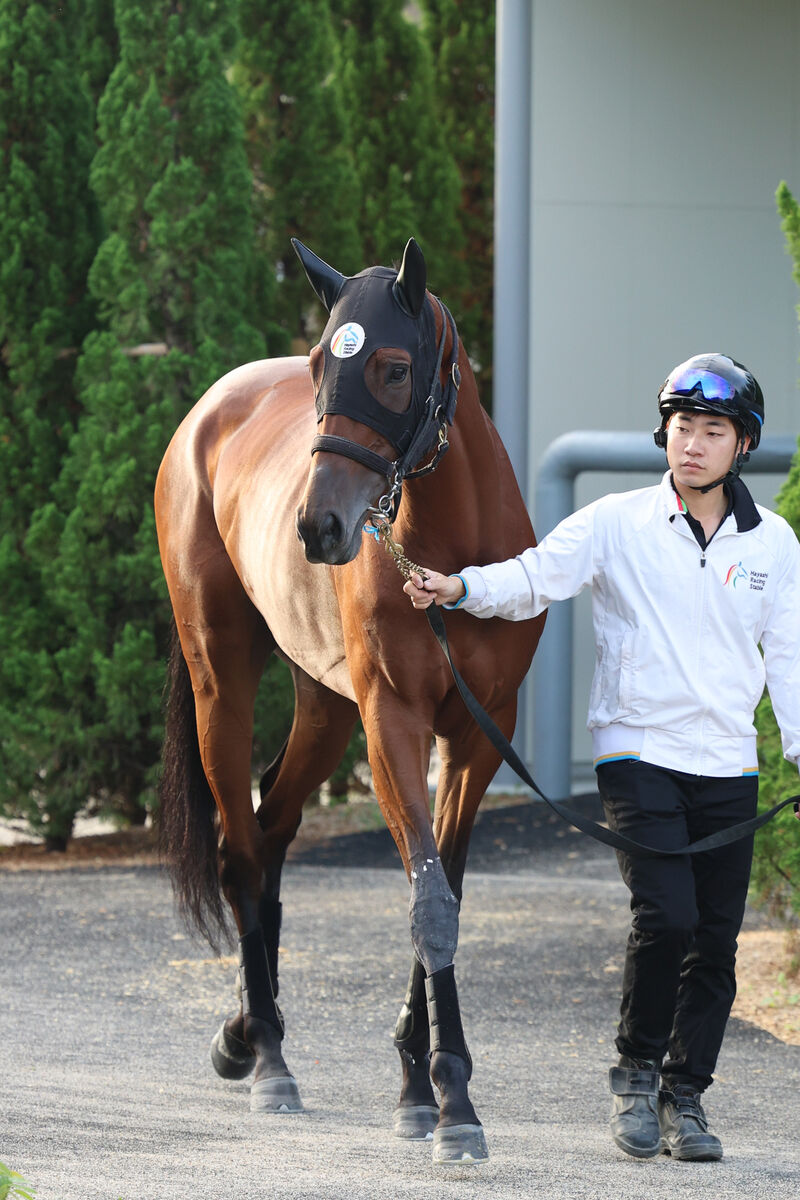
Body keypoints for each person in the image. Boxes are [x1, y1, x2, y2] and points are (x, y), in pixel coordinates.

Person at [402, 353, 800, 1163]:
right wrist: (460, 590)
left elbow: (790, 656)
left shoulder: (776, 543)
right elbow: (535, 578)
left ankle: (685, 1096)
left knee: (716, 942)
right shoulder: (615, 521)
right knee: (667, 916)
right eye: (682, 426)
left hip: (727, 760)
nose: (692, 443)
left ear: (741, 445)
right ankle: (634, 1075)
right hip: (637, 751)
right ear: (665, 432)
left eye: (712, 430)